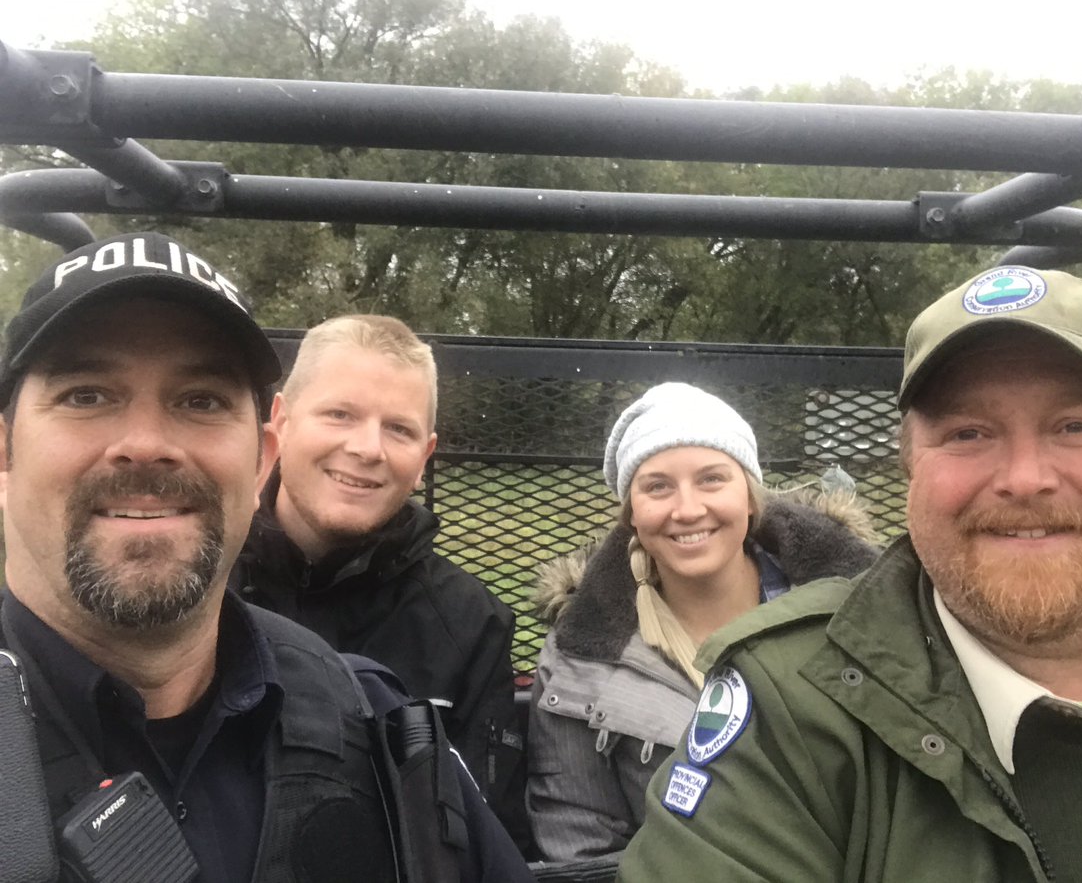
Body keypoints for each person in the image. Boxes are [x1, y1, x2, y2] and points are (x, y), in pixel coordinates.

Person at [619, 266, 1082, 882]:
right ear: (911, 474)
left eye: (1076, 426)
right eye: (968, 433)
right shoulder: (794, 707)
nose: (1024, 477)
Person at [0, 232, 533, 883]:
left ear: (261, 459)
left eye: (201, 400)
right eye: (87, 393)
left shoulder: (381, 725)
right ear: (4, 452)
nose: (145, 443)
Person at [527, 382, 880, 862]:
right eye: (657, 486)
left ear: (752, 498)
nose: (688, 509)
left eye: (712, 479)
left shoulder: (856, 616)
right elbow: (579, 841)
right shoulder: (579, 659)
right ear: (631, 514)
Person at [229, 314, 528, 848]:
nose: (369, 448)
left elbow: (484, 835)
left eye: (399, 429)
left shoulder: (470, 622)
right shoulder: (198, 580)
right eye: (340, 414)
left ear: (424, 459)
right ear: (281, 422)